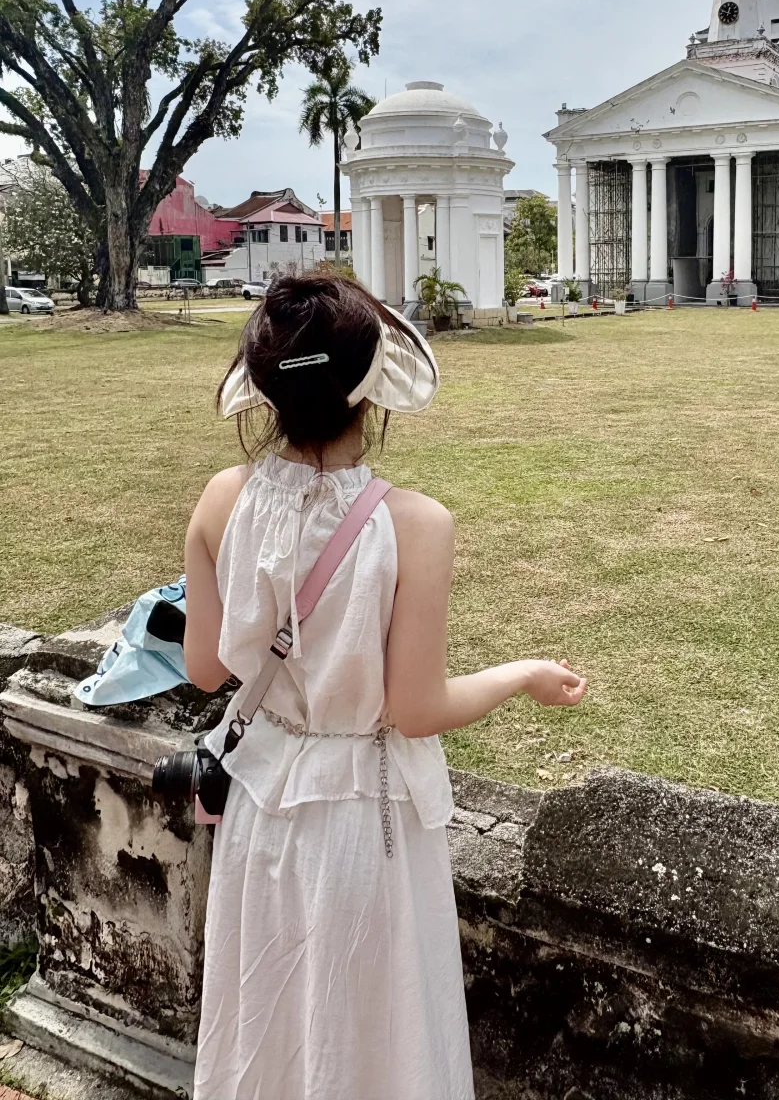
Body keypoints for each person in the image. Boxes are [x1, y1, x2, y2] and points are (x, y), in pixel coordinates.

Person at [183, 274, 587, 1100]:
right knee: (375, 1042)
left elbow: (204, 669)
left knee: (269, 1031)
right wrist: (523, 674)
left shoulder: (223, 499)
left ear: (263, 391)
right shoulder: (414, 523)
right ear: (372, 392)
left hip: (261, 811)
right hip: (366, 820)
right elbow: (414, 708)